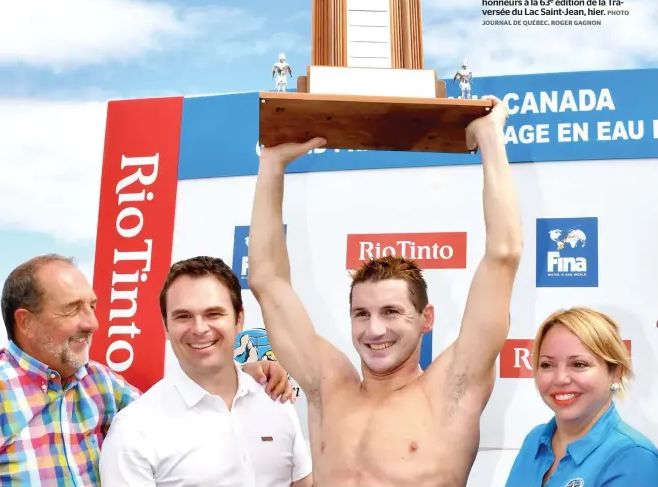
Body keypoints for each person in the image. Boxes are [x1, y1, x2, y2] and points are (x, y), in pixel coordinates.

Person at [248, 95, 523, 487]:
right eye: (362, 314)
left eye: (392, 312)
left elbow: (504, 254)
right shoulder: (329, 386)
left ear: (426, 319)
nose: (375, 330)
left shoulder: (451, 390)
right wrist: (271, 165)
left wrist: (491, 138)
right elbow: (267, 280)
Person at [0, 254, 295, 486]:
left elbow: (177, 407)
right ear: (26, 322)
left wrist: (241, 374)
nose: (93, 323)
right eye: (73, 310)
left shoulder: (99, 383)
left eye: (92, 306)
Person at [99, 256, 313, 487]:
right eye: (184, 316)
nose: (199, 328)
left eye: (213, 314)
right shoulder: (133, 431)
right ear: (166, 326)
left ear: (239, 319)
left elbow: (302, 482)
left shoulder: (274, 397)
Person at [505, 307, 658, 487]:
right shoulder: (535, 439)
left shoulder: (633, 457)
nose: (560, 378)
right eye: (547, 365)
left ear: (615, 373)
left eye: (579, 364)